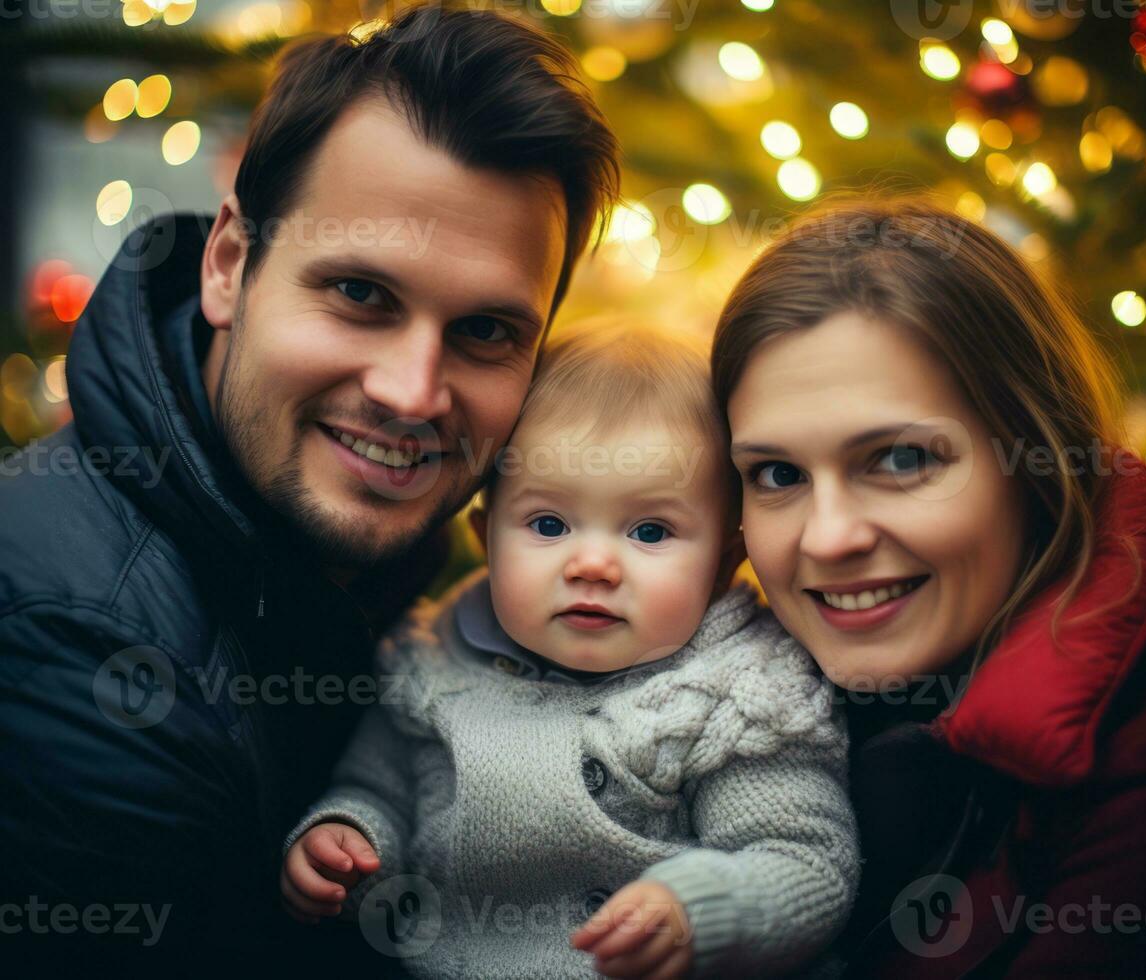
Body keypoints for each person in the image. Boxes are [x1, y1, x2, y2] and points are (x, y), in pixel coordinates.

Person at [0, 6, 618, 969]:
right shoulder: (78, 652)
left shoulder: (437, 577)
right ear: (230, 263)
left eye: (487, 333)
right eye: (361, 295)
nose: (413, 394)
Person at [712, 196, 1146, 976]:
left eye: (898, 460)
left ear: (1038, 462)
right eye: (777, 475)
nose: (827, 537)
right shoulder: (716, 727)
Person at [278, 323, 859, 979]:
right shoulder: (430, 659)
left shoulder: (740, 692)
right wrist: (350, 839)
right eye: (548, 525)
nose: (592, 564)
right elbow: (377, 788)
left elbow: (805, 860)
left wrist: (701, 908)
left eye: (649, 531)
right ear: (486, 539)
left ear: (726, 560)